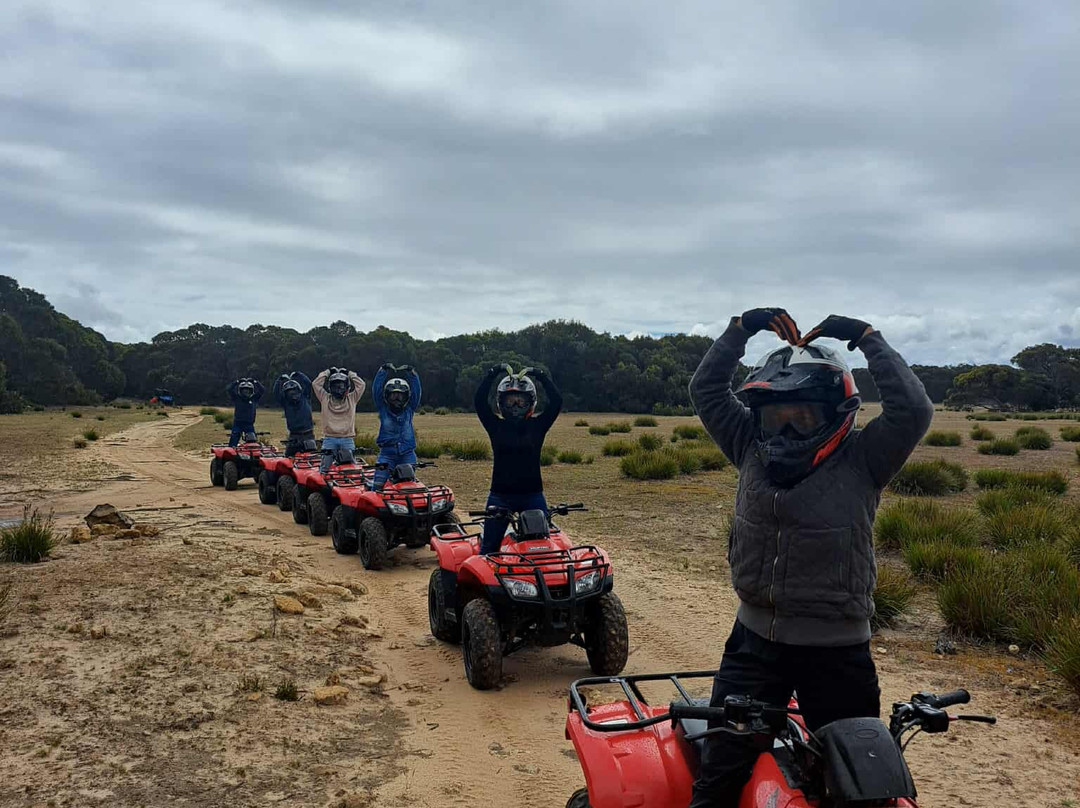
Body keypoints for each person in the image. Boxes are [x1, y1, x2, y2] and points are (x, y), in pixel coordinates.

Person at [686, 309, 933, 808]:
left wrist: (867, 338)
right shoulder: (749, 445)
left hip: (837, 654)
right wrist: (739, 329)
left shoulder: (864, 458)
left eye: (802, 418)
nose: (786, 432)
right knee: (719, 777)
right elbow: (707, 391)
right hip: (754, 646)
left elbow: (912, 410)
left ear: (839, 412)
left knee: (858, 788)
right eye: (775, 417)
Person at [474, 365, 563, 555]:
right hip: (500, 496)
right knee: (489, 549)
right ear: (500, 403)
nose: (515, 407)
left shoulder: (538, 426)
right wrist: (491, 374)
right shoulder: (495, 425)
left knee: (542, 548)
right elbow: (479, 402)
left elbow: (556, 402)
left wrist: (541, 376)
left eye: (521, 402)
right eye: (510, 402)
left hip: (533, 496)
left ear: (531, 403)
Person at [372, 363, 422, 490]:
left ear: (406, 396)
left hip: (407, 454)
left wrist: (412, 374)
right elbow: (376, 391)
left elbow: (417, 392)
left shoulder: (409, 410)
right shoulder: (383, 409)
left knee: (408, 487)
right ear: (387, 395)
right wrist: (382, 371)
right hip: (386, 454)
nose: (397, 399)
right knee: (378, 486)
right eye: (393, 395)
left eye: (400, 395)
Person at [312, 367, 366, 472]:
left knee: (351, 471)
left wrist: (349, 373)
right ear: (330, 387)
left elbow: (361, 385)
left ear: (347, 388)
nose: (338, 389)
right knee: (324, 470)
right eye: (335, 386)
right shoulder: (325, 398)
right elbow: (315, 384)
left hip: (346, 438)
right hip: (330, 438)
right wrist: (328, 372)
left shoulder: (351, 398)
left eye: (341, 386)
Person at [272, 371, 315, 457]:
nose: (292, 393)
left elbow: (308, 384)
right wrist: (279, 380)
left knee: (311, 459)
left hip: (308, 434)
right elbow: (275, 393)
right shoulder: (286, 402)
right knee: (288, 459)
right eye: (289, 392)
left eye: (294, 390)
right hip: (294, 436)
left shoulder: (305, 397)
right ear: (286, 394)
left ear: (299, 390)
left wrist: (298, 374)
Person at [226, 377, 265, 447]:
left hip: (249, 424)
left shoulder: (254, 399)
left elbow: (262, 390)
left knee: (252, 442)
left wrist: (255, 382)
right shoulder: (237, 398)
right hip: (237, 424)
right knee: (233, 440)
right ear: (240, 391)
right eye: (244, 390)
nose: (246, 392)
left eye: (248, 390)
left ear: (251, 391)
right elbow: (229, 389)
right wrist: (237, 382)